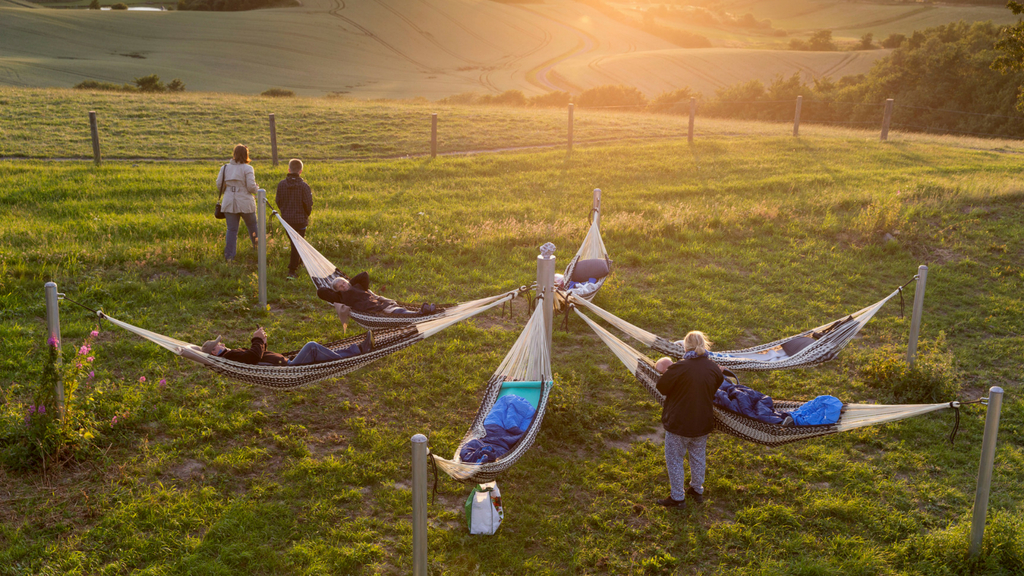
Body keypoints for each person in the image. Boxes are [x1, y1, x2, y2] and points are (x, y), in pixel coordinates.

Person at [653, 331, 723, 509]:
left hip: (679, 423)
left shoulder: (680, 367)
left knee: (675, 459)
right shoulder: (713, 367)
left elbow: (661, 386)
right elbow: (717, 383)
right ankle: (697, 491)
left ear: (685, 347)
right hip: (703, 423)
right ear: (704, 345)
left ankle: (677, 498)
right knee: (698, 457)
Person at [201, 327, 373, 366]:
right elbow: (253, 358)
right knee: (312, 346)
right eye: (218, 344)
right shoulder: (229, 357)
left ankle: (358, 349)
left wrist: (262, 341)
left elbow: (258, 356)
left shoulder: (231, 355)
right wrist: (256, 340)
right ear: (214, 352)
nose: (222, 343)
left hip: (286, 363)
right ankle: (343, 361)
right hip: (289, 368)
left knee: (322, 352)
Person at [316, 272, 437, 316]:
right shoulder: (340, 297)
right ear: (337, 290)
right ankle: (420, 313)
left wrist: (349, 284)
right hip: (371, 309)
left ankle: (421, 312)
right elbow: (321, 292)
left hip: (377, 303)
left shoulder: (359, 286)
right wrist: (338, 289)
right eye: (340, 286)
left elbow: (364, 275)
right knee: (393, 311)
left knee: (395, 308)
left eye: (344, 283)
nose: (344, 286)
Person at [216, 144, 259, 262]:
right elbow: (251, 187)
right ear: (246, 155)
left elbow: (219, 185)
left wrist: (228, 190)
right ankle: (259, 250)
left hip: (229, 202)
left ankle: (229, 256)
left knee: (232, 230)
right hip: (245, 202)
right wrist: (257, 189)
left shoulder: (224, 168)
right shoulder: (248, 168)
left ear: (234, 154)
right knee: (253, 227)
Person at [275, 158, 313, 279]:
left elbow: (278, 201)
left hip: (286, 219)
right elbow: (308, 203)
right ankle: (292, 270)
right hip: (301, 220)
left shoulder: (281, 185)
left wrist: (284, 211)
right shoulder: (304, 186)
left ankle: (299, 262)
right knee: (297, 244)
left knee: (296, 243)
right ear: (300, 171)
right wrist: (306, 215)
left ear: (289, 169)